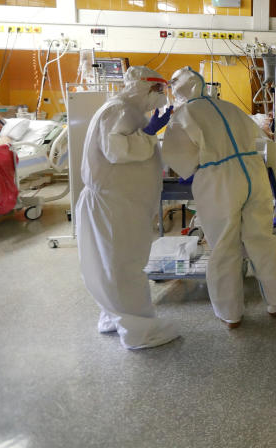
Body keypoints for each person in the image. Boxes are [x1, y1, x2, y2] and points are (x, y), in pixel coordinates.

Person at [161, 67, 276, 328]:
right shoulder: (229, 107)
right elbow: (257, 135)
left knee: (224, 247)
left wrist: (195, 170)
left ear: (177, 89)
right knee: (263, 240)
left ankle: (231, 314)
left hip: (220, 179)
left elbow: (177, 158)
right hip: (253, 173)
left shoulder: (184, 114)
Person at [75, 66, 179, 349]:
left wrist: (148, 131)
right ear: (144, 87)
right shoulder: (119, 110)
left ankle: (114, 317)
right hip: (115, 204)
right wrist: (149, 133)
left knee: (112, 264)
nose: (161, 97)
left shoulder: (125, 110)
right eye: (158, 91)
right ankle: (139, 331)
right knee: (125, 266)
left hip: (119, 202)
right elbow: (116, 151)